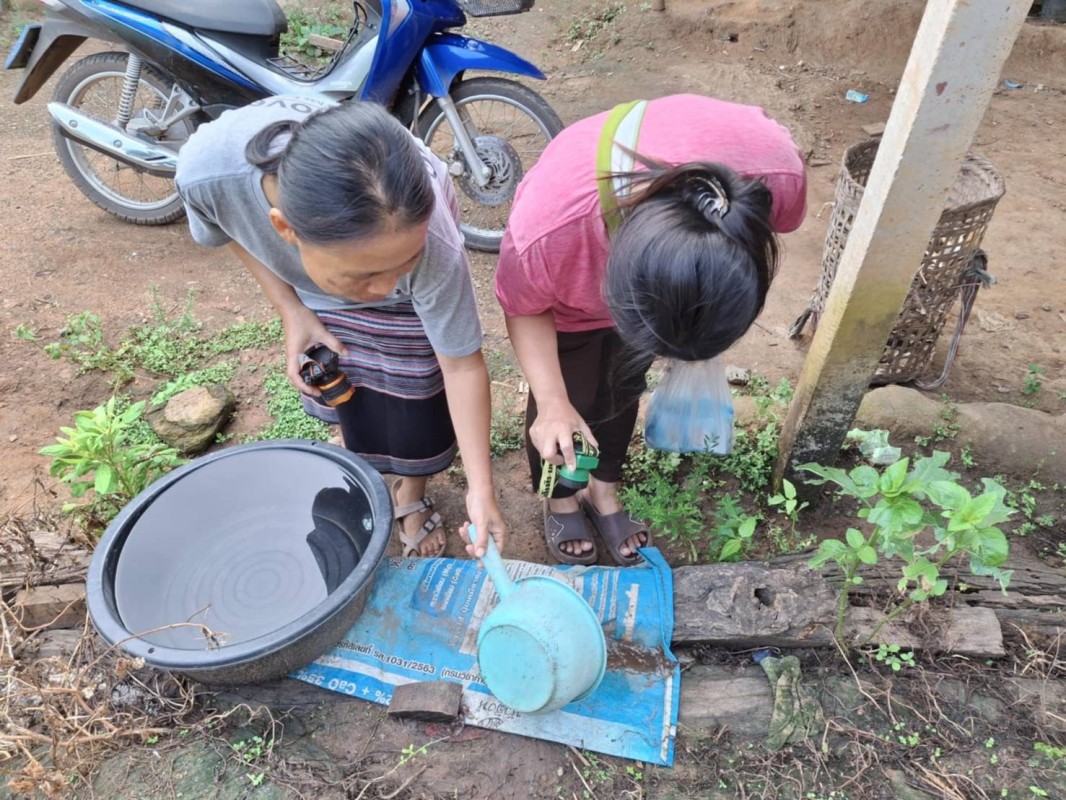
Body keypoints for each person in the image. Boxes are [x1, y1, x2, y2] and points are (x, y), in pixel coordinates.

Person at [176, 96, 505, 560]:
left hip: (410, 258)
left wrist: (481, 488)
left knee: (416, 383)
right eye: (364, 276)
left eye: (401, 263)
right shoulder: (207, 175)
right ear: (284, 230)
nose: (389, 286)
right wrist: (290, 308)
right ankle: (353, 462)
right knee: (340, 375)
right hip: (314, 277)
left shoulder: (432, 247)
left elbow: (460, 366)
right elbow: (227, 226)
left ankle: (409, 493)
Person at [495, 94, 806, 566]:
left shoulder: (775, 183)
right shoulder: (551, 230)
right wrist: (553, 402)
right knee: (563, 407)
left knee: (621, 391)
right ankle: (559, 498)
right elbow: (524, 307)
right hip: (564, 306)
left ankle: (604, 492)